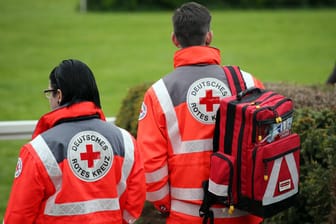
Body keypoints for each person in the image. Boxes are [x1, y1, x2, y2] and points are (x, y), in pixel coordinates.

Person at [137, 2, 264, 224]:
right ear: (209, 36)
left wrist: (166, 205)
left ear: (174, 39)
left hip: (188, 216)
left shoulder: (159, 93)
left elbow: (151, 165)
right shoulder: (248, 82)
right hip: (245, 214)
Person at [3, 59, 146, 224]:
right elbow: (135, 197)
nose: (49, 99)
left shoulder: (39, 150)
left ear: (59, 95)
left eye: (50, 93)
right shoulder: (125, 140)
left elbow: (19, 214)